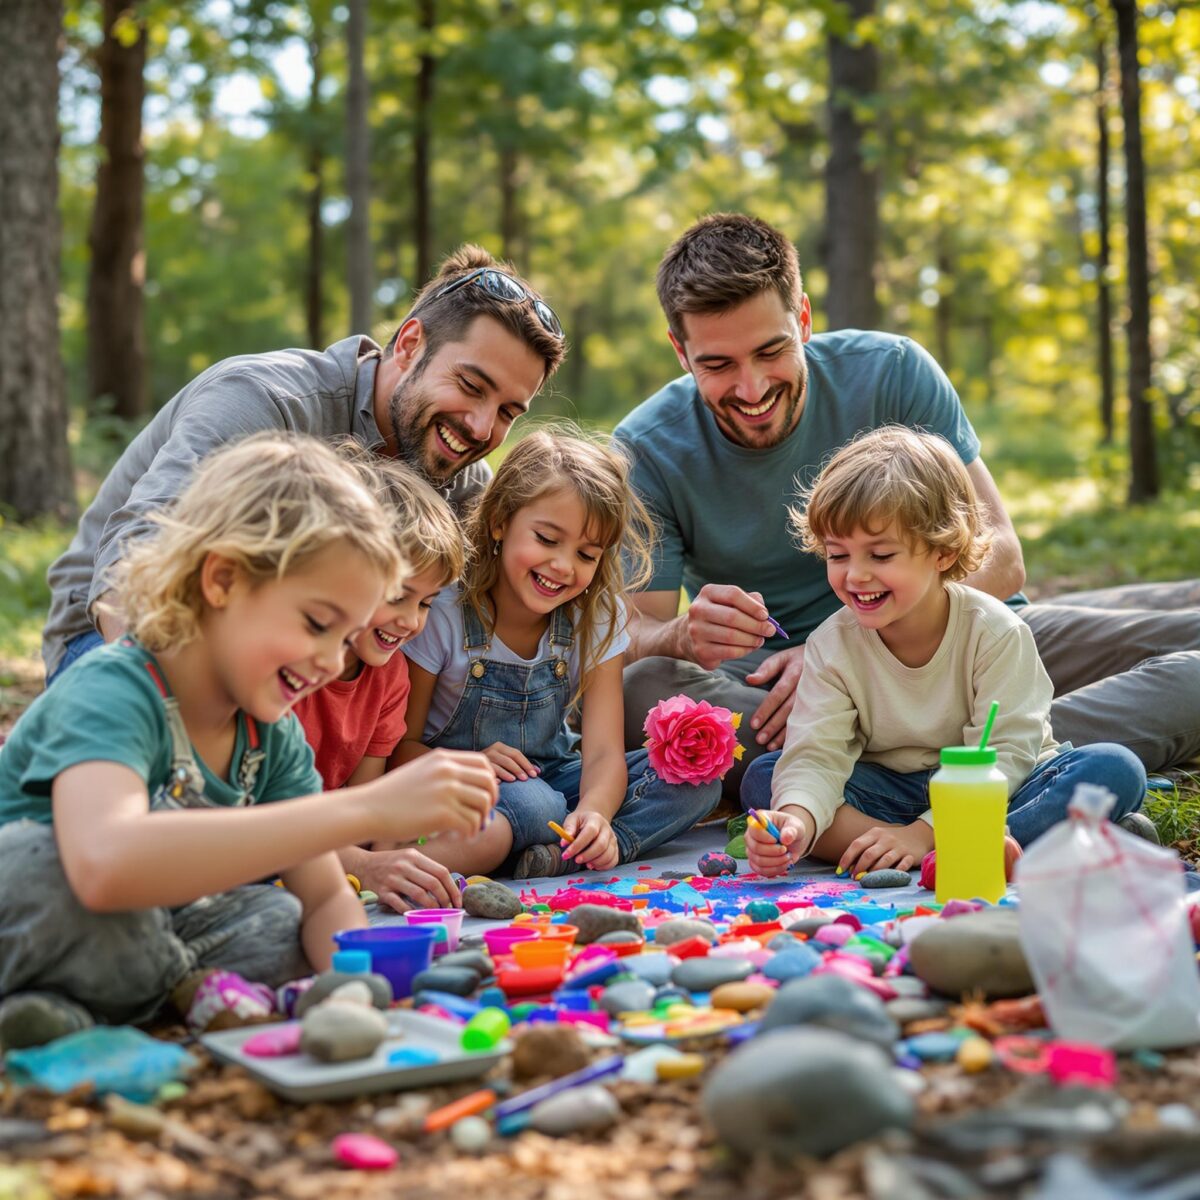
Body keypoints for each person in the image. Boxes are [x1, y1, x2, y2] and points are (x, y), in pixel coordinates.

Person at [614, 212, 1200, 800]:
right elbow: (633, 633)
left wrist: (836, 645)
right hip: (782, 689)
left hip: (966, 640)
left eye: (771, 351)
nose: (752, 388)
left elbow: (1001, 555)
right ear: (680, 351)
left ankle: (892, 782)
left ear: (805, 319)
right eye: (718, 365)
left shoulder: (891, 371)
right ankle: (1006, 768)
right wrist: (681, 636)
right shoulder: (649, 447)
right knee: (648, 687)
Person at [0, 435, 496, 1050]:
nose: (327, 660)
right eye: (317, 624)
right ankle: (176, 988)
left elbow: (321, 896)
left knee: (277, 921)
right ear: (223, 579)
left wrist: (348, 992)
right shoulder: (114, 689)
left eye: (345, 636)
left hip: (150, 929)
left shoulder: (270, 731)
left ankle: (82, 1011)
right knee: (41, 873)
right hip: (50, 907)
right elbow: (105, 866)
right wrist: (368, 808)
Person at [43, 246, 565, 685]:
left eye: (507, 413)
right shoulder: (266, 400)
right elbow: (138, 554)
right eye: (471, 386)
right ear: (409, 345)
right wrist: (168, 703)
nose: (480, 426)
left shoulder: (462, 475)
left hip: (319, 677)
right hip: (120, 638)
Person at [740, 426, 1149, 879]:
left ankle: (937, 847)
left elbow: (1009, 752)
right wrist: (795, 822)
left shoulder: (995, 632)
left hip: (996, 788)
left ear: (941, 551)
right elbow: (817, 753)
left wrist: (923, 833)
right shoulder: (832, 645)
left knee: (1114, 768)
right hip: (891, 791)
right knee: (767, 780)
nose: (855, 575)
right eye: (838, 556)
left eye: (880, 555)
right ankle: (973, 849)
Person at [395, 429, 718, 879]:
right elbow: (397, 750)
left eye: (586, 554)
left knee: (694, 779)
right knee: (535, 801)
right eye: (547, 540)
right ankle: (540, 844)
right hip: (461, 786)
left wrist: (596, 813)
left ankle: (577, 849)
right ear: (500, 521)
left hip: (556, 779)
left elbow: (603, 753)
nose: (564, 566)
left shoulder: (595, 613)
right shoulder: (446, 610)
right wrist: (468, 764)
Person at [293, 455, 468, 913]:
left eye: (427, 603)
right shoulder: (286, 672)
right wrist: (365, 866)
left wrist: (380, 857)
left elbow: (361, 811)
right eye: (397, 597)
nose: (411, 622)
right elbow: (258, 823)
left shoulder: (389, 677)